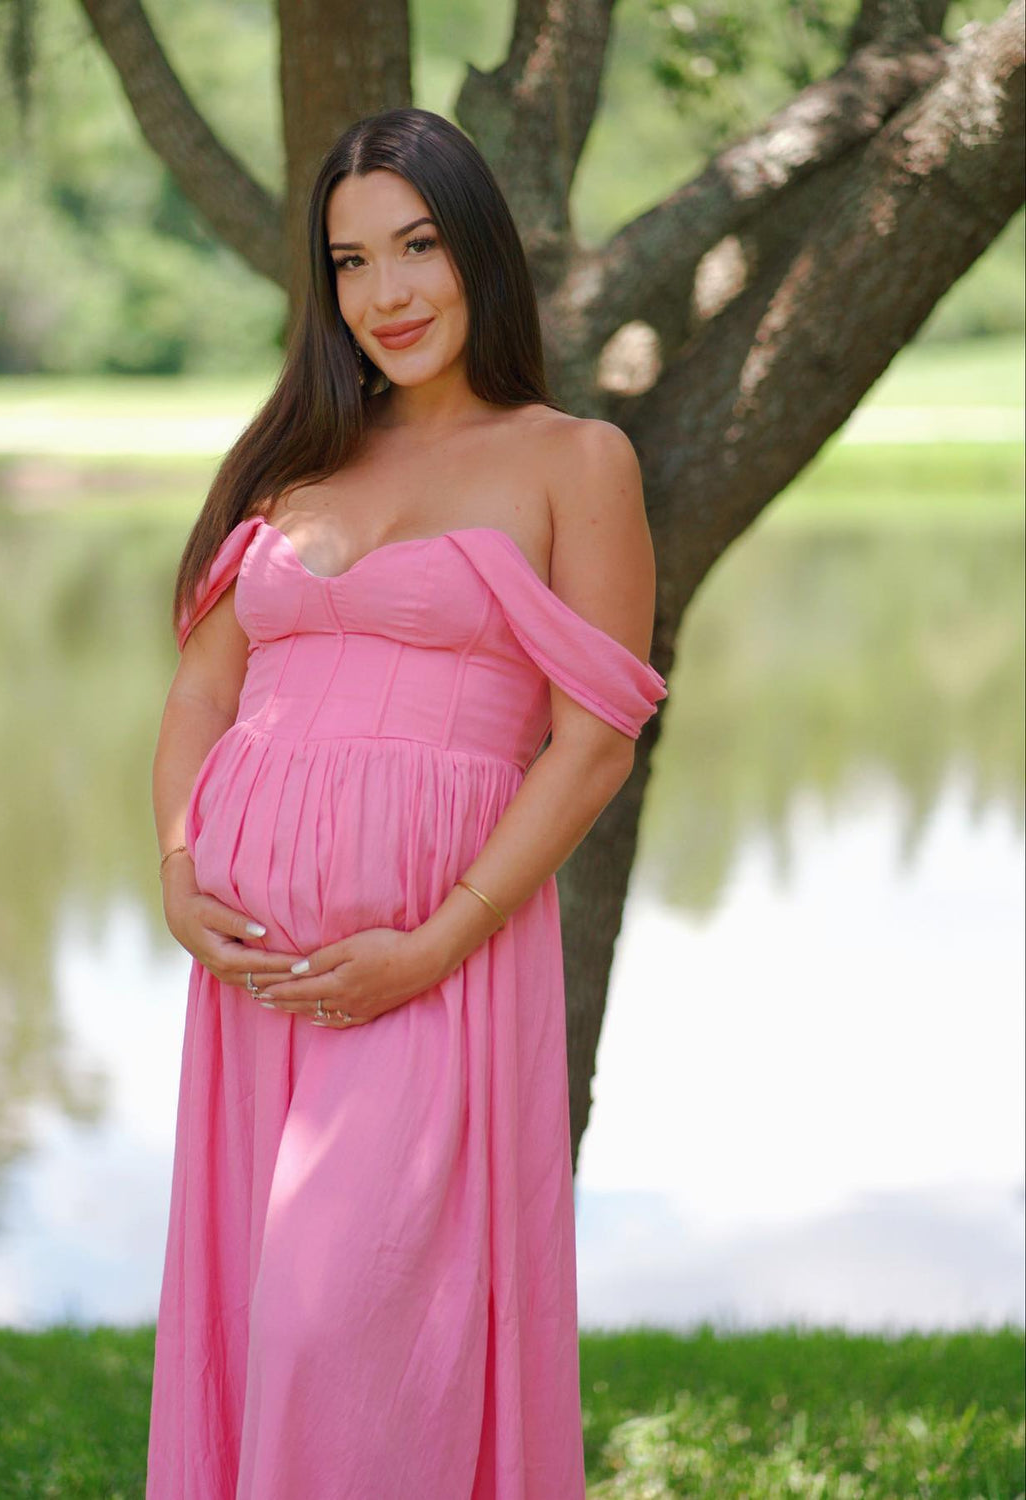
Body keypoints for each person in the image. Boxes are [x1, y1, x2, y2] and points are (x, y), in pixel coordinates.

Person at [146, 105, 668, 1500]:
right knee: (264, 1326)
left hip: (432, 969)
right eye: (352, 261)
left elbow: (596, 743)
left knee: (344, 1328)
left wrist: (441, 939)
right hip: (258, 982)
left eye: (418, 246)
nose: (387, 293)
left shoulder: (573, 462)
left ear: (478, 253)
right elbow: (202, 694)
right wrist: (180, 864)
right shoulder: (297, 464)